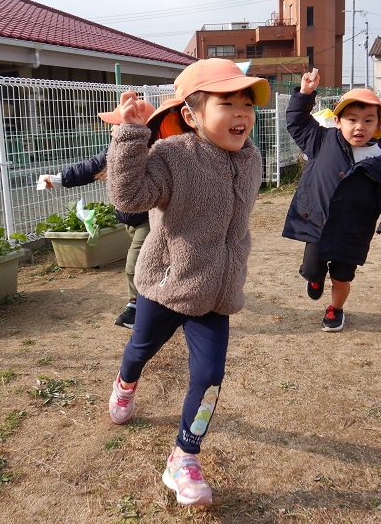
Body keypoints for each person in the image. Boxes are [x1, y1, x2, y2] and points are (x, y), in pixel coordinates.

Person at [104, 58, 269, 506]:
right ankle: (125, 383)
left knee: (210, 377)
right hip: (166, 284)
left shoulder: (251, 158)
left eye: (247, 105)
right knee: (140, 349)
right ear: (192, 115)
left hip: (217, 291)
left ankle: (184, 457)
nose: (241, 114)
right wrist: (132, 136)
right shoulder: (173, 155)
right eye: (227, 103)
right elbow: (128, 197)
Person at [282, 74, 381, 332]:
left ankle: (335, 309)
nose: (359, 127)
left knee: (342, 278)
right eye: (352, 119)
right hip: (318, 224)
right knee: (310, 269)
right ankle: (315, 279)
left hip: (353, 232)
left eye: (368, 121)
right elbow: (296, 123)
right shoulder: (322, 140)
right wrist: (305, 94)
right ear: (338, 121)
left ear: (378, 125)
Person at [41, 99, 155, 329]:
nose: (112, 128)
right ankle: (161, 303)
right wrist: (58, 179)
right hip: (130, 220)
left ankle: (137, 309)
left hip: (150, 219)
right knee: (152, 264)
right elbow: (89, 168)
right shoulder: (114, 149)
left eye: (117, 123)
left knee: (135, 265)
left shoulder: (154, 152)